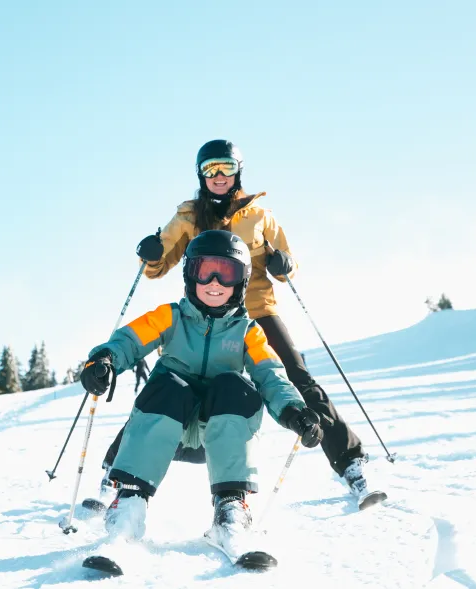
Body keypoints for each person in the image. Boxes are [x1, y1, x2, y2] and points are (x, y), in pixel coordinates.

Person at [101, 139, 374, 502]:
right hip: (205, 316)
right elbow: (157, 266)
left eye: (226, 167)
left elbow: (288, 263)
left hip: (257, 310)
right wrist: (149, 254)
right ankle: (114, 473)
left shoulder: (260, 216)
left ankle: (349, 462)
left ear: (238, 172)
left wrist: (283, 264)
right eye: (210, 169)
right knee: (175, 378)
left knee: (295, 377)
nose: (219, 175)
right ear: (201, 174)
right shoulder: (187, 217)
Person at [78, 230, 323, 551]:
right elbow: (129, 341)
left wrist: (294, 410)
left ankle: (230, 510)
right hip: (170, 428)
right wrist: (104, 360)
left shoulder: (248, 332)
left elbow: (271, 376)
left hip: (217, 436)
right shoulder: (171, 317)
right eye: (205, 271)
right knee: (167, 384)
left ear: (241, 281)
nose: (214, 282)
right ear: (190, 275)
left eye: (227, 273)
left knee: (237, 387)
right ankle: (129, 508)